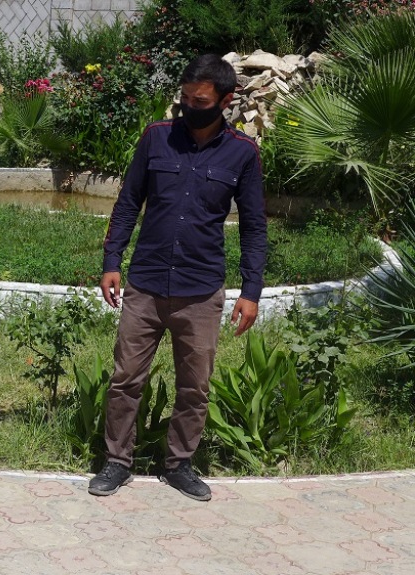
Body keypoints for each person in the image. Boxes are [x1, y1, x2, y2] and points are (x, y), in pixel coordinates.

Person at [90, 54, 268, 501]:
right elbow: (129, 202)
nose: (190, 106)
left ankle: (180, 463)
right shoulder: (156, 138)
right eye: (185, 98)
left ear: (226, 101)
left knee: (195, 385)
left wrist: (251, 290)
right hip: (146, 284)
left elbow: (253, 226)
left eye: (201, 100)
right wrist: (112, 260)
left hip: (201, 290)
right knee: (126, 378)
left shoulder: (243, 154)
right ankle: (117, 462)